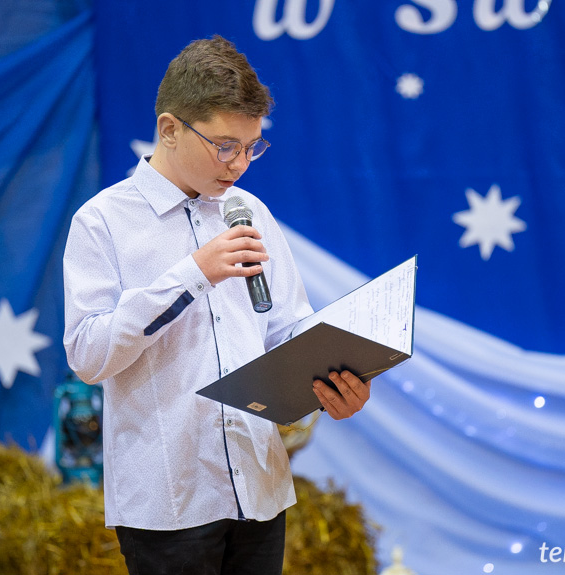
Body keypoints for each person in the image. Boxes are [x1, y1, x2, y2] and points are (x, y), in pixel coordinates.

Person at [63, 35, 371, 575]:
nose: (241, 164)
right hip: (168, 501)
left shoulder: (250, 211)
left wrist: (332, 386)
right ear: (169, 129)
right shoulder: (102, 220)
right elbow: (88, 355)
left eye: (253, 147)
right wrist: (191, 275)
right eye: (225, 146)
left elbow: (286, 330)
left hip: (260, 487)